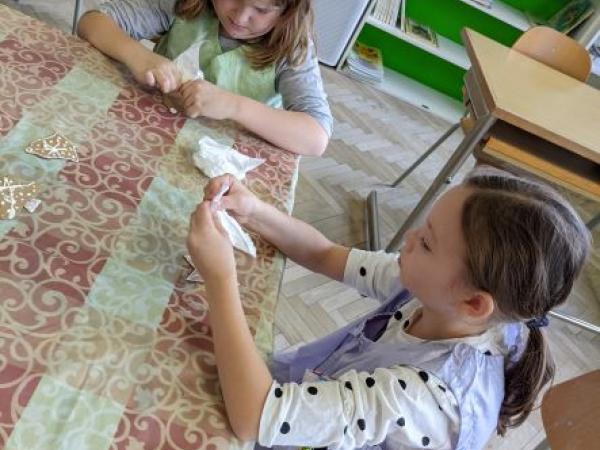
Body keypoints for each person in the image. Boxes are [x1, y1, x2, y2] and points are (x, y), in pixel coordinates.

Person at [185, 167, 591, 449]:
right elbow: (325, 254)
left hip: (268, 417)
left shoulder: (423, 397)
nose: (409, 238)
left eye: (427, 242)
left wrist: (220, 278)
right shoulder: (438, 293)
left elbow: (255, 416)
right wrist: (254, 210)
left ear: (473, 303)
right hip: (287, 405)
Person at [77, 0, 332, 156]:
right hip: (146, 133)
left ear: (288, 10)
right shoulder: (186, 4)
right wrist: (139, 56)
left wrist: (234, 106)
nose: (240, 17)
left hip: (223, 163)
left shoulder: (293, 48)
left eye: (261, 9)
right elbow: (92, 22)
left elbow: (316, 137)